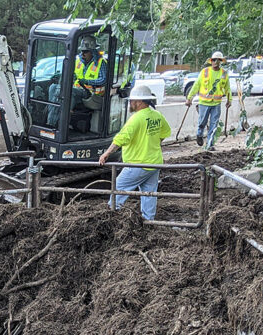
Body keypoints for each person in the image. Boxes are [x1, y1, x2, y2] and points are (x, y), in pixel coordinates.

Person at [99, 85, 171, 221]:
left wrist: (106, 153)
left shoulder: (136, 119)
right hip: (154, 163)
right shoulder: (157, 115)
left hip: (138, 163)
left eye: (132, 101)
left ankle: (110, 216)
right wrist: (153, 144)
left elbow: (121, 139)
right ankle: (149, 221)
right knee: (149, 193)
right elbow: (165, 132)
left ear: (139, 102)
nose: (130, 103)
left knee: (118, 187)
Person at [186, 51, 231, 151]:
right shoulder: (205, 72)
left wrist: (229, 99)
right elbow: (196, 85)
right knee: (202, 122)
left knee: (214, 124)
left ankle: (210, 144)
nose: (216, 62)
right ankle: (199, 134)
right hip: (204, 103)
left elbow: (227, 88)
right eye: (214, 60)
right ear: (211, 61)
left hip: (216, 104)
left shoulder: (224, 74)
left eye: (218, 60)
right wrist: (189, 98)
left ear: (221, 61)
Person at [70, 36, 107, 111]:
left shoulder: (100, 63)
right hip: (79, 90)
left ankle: (66, 115)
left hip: (92, 94)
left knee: (71, 92)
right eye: (82, 51)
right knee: (54, 88)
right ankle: (53, 119)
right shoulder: (78, 62)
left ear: (93, 51)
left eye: (85, 51)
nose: (83, 54)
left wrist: (87, 81)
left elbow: (103, 80)